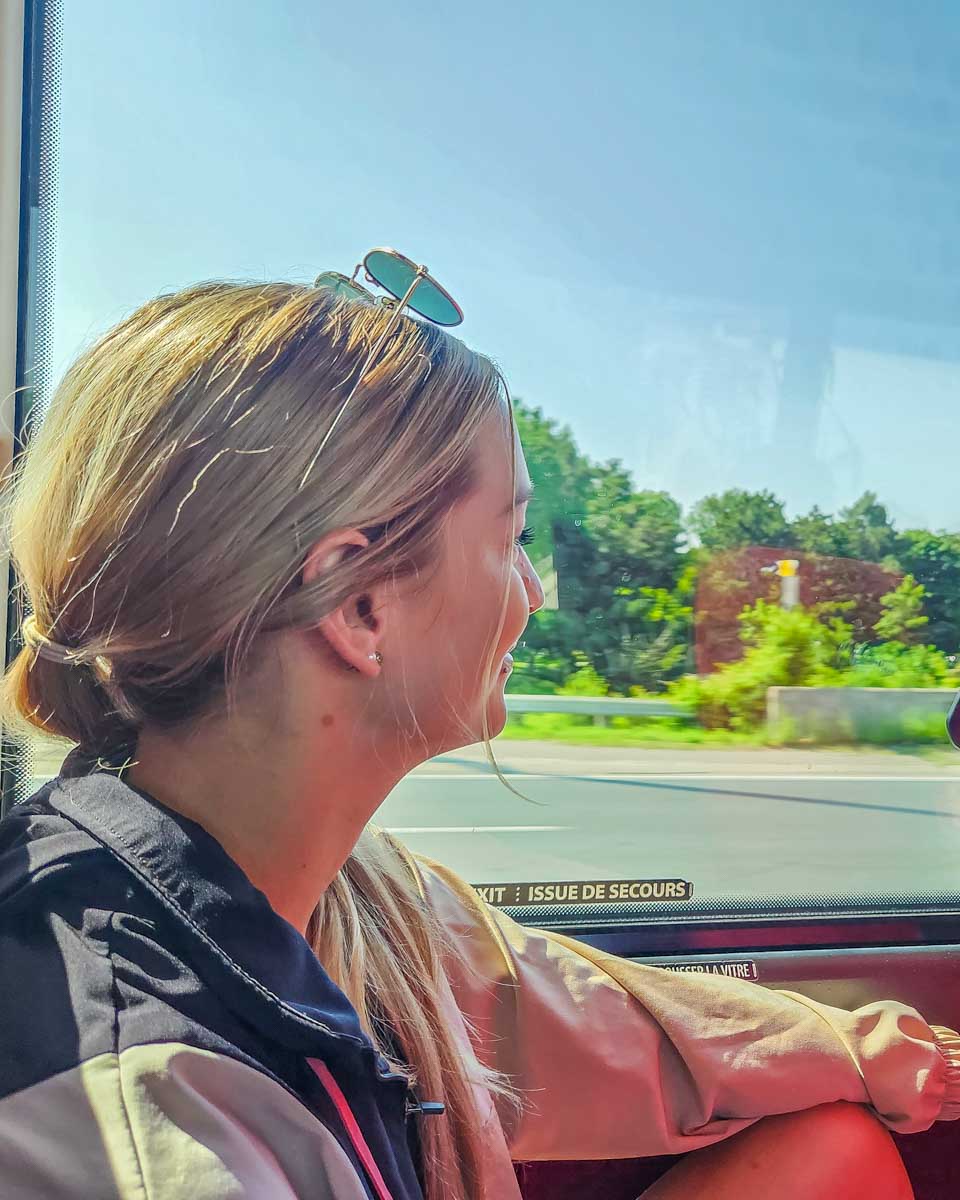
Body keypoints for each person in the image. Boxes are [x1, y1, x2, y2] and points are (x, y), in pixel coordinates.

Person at [0, 273, 956, 1200]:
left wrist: (863, 1052)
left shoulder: (346, 899)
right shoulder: (145, 1113)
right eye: (511, 540)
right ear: (361, 604)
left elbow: (554, 1005)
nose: (533, 592)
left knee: (832, 1152)